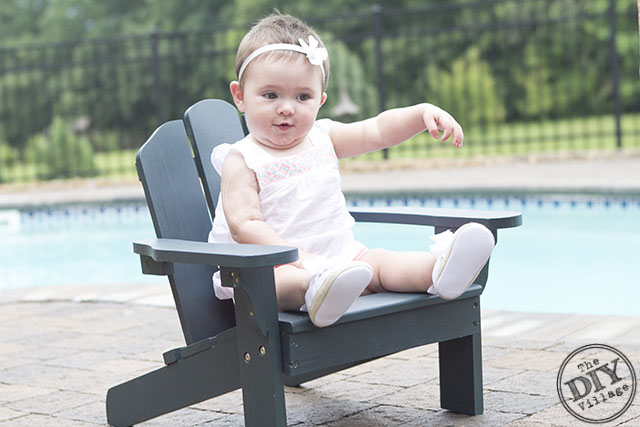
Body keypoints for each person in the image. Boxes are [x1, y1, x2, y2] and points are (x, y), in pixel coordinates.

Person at [208, 12, 495, 327]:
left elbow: (377, 131)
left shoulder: (323, 137)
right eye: (271, 95)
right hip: (268, 271)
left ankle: (439, 270)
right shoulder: (243, 159)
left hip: (344, 261)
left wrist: (421, 114)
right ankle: (316, 290)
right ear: (240, 96)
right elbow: (245, 226)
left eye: (303, 96)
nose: (287, 107)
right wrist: (300, 260)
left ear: (321, 100)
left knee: (382, 264)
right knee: (287, 281)